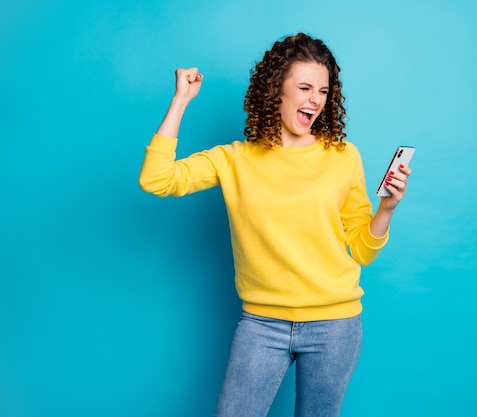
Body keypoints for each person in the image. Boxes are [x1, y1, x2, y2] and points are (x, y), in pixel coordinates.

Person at [139, 32, 411, 417]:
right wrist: (181, 101)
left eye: (323, 90)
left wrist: (386, 209)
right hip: (262, 324)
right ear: (276, 90)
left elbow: (361, 250)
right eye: (304, 87)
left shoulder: (343, 157)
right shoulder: (234, 159)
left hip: (334, 325)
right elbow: (157, 179)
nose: (315, 99)